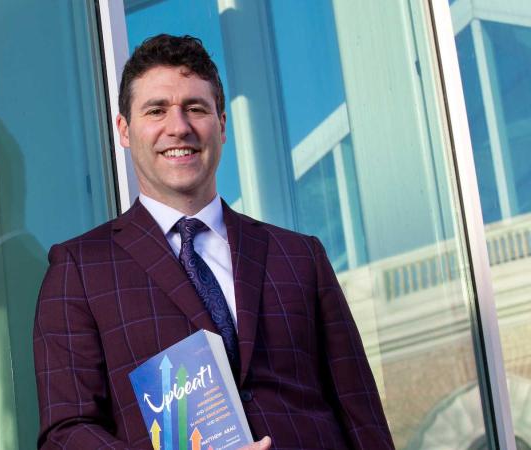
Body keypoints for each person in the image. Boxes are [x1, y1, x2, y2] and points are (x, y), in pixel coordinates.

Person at [33, 34, 394, 450]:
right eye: (156, 110)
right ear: (125, 129)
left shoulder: (299, 256)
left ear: (221, 125)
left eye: (196, 109)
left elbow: (361, 414)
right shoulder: (79, 269)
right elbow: (66, 433)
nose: (179, 127)